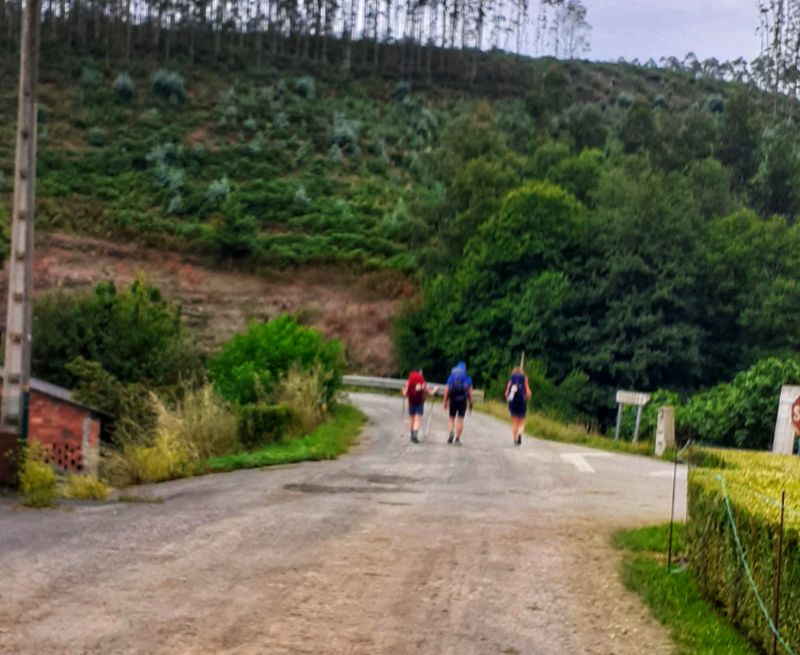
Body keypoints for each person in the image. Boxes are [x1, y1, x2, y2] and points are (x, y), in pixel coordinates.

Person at [402, 369, 438, 443]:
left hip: (411, 402)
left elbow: (405, 394)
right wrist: (435, 389)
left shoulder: (409, 382)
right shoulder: (423, 383)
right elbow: (431, 393)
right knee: (417, 419)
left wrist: (403, 390)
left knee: (411, 419)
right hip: (419, 403)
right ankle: (415, 434)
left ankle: (412, 435)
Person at [443, 361, 473, 446]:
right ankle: (457, 439)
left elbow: (447, 390)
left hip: (453, 400)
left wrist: (445, 401)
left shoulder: (451, 377)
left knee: (451, 418)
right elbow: (470, 392)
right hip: (463, 400)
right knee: (460, 420)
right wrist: (471, 403)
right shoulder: (467, 377)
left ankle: (451, 432)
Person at [505, 367, 531, 446]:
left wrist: (509, 398)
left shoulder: (511, 382)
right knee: (521, 422)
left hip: (513, 403)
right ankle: (519, 433)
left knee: (514, 422)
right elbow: (528, 394)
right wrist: (526, 384)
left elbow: (506, 394)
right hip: (522, 403)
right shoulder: (524, 382)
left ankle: (515, 439)